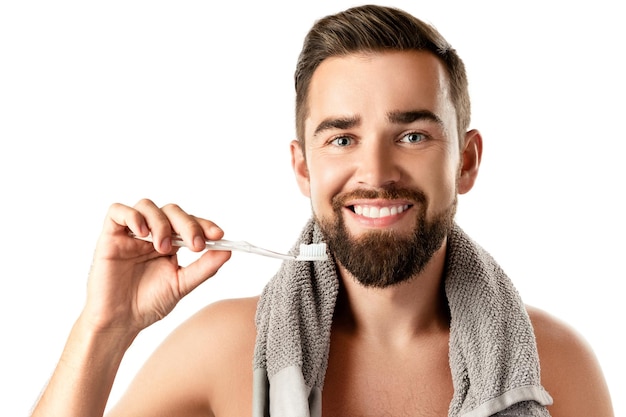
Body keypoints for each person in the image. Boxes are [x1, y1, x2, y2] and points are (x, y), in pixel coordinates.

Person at [30, 4, 613, 417]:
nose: (377, 173)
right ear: (303, 166)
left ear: (467, 160)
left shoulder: (554, 369)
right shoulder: (224, 349)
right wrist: (103, 330)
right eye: (341, 138)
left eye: (412, 136)